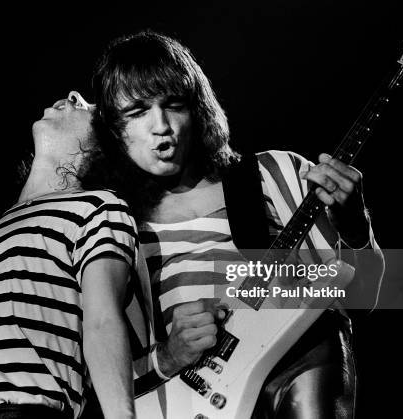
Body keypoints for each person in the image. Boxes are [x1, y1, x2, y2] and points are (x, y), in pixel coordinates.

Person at [80, 31, 385, 418]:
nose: (162, 126)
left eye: (174, 104)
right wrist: (169, 355)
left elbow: (363, 300)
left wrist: (356, 228)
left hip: (296, 382)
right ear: (112, 127)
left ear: (198, 109)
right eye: (138, 112)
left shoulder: (273, 174)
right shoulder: (113, 225)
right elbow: (99, 380)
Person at [0, 92, 143, 419]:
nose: (75, 96)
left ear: (102, 146)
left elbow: (103, 321)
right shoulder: (0, 224)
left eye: (92, 108)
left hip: (25, 411)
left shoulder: (99, 207)